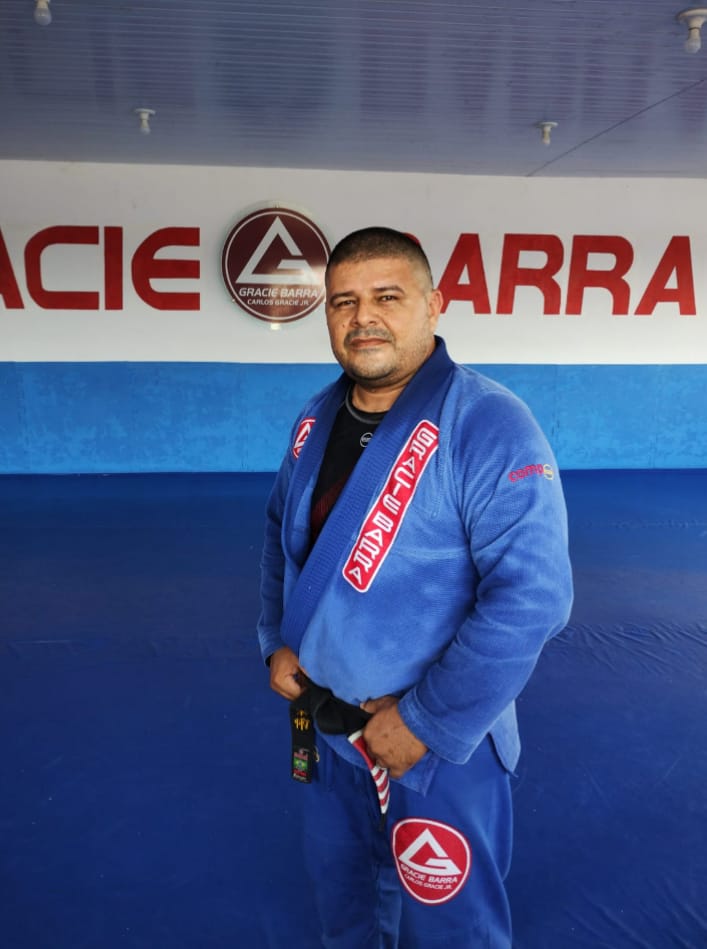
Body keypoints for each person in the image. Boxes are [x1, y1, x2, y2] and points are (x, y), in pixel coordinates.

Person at [257, 226, 573, 948]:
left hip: (437, 745)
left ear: (433, 304)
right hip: (330, 726)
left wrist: (426, 720)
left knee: (453, 928)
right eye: (343, 301)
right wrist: (277, 637)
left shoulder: (488, 423)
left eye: (387, 297)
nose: (362, 317)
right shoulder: (317, 416)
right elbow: (281, 532)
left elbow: (532, 596)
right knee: (346, 909)